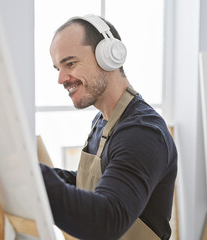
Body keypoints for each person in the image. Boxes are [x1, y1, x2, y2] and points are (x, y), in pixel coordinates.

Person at [39, 14, 177, 240]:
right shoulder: (103, 121)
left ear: (109, 56)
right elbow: (96, 182)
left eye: (70, 63)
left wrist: (40, 177)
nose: (61, 78)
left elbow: (107, 221)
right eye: (58, 69)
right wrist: (31, 174)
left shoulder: (142, 132)